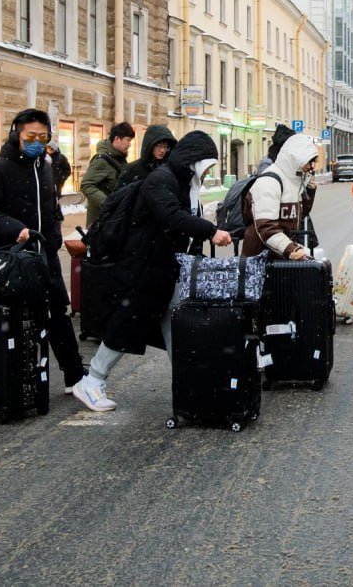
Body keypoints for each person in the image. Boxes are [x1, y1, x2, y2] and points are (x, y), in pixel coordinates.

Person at [74, 131, 234, 411]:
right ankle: (92, 381)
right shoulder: (161, 179)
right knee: (126, 324)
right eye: (206, 165)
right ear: (193, 161)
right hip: (143, 267)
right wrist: (211, 232)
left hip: (162, 267)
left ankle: (188, 385)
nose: (207, 172)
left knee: (176, 326)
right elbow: (172, 217)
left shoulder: (179, 181)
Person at [0, 108, 87, 394]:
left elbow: (50, 209)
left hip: (43, 255)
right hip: (10, 257)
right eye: (31, 136)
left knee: (56, 313)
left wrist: (52, 240)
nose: (37, 142)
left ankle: (74, 374)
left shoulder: (45, 167)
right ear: (17, 134)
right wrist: (15, 228)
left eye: (43, 136)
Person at [241, 133, 319, 260]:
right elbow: (266, 227)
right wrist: (291, 249)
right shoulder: (269, 182)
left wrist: (309, 190)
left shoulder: (294, 181)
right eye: (309, 162)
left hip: (280, 256)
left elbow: (297, 216)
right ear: (296, 159)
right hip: (260, 258)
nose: (311, 167)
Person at [80, 122, 135, 227]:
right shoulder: (101, 160)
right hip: (101, 222)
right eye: (128, 140)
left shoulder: (119, 158)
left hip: (112, 220)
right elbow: (86, 184)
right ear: (117, 139)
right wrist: (107, 204)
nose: (130, 144)